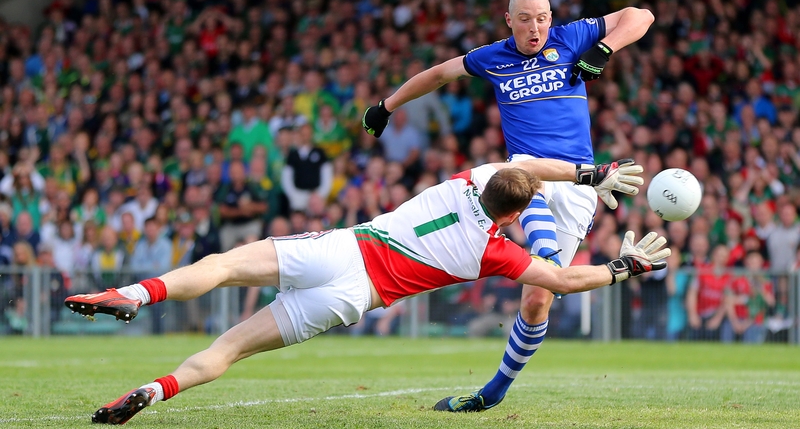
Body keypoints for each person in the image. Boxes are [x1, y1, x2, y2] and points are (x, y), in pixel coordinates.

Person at [64, 157, 667, 425]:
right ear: (514, 215)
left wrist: (590, 173)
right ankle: (153, 389)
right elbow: (563, 279)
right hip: (354, 294)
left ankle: (137, 294)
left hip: (340, 245)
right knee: (228, 351)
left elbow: (529, 163)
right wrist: (625, 267)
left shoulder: (467, 180)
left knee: (221, 263)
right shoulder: (493, 251)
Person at [361, 0, 654, 412]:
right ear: (508, 20)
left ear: (551, 18)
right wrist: (386, 106)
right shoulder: (491, 58)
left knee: (537, 300)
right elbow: (439, 74)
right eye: (525, 19)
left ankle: (494, 392)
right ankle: (546, 259)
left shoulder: (572, 38)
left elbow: (641, 15)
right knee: (539, 240)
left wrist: (606, 47)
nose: (535, 27)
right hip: (526, 173)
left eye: (541, 18)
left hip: (580, 186)